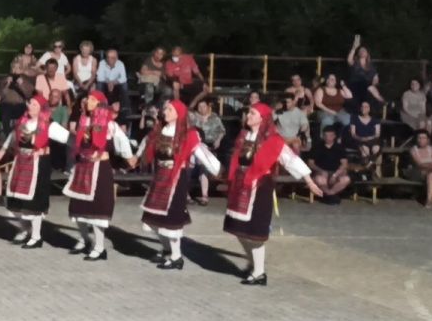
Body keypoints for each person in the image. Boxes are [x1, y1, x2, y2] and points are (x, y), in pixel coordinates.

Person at [223, 104, 321, 286]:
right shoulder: (243, 135)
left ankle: (259, 273)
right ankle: (252, 264)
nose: (248, 116)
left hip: (260, 187)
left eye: (253, 113)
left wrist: (309, 181)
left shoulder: (272, 140)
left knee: (254, 232)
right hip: (241, 185)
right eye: (249, 113)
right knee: (238, 230)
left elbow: (290, 159)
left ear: (262, 118)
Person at [133, 99, 220, 270]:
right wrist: (136, 157)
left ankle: (176, 257)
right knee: (152, 219)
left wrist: (217, 169)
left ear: (178, 114)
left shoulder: (187, 134)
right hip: (160, 177)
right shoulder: (159, 131)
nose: (165, 112)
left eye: (169, 110)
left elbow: (201, 152)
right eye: (165, 109)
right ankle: (167, 249)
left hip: (176, 179)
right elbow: (146, 143)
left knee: (171, 219)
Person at [60, 90, 133, 261]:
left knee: (97, 210)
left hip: (100, 168)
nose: (88, 102)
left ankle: (100, 248)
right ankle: (85, 239)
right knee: (77, 208)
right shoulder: (83, 121)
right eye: (87, 99)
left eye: (92, 100)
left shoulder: (109, 124)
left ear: (100, 104)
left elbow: (122, 141)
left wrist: (129, 158)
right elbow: (75, 142)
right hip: (83, 167)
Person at [0, 95, 69, 249]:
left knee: (34, 201)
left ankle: (36, 236)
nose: (30, 106)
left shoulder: (49, 125)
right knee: (17, 199)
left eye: (34, 105)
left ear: (41, 108)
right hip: (21, 163)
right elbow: (12, 138)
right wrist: (0, 152)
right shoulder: (22, 123)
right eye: (29, 104)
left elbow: (68, 138)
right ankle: (25, 229)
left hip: (38, 164)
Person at [307, 126, 352, 204]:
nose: (328, 138)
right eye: (326, 135)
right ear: (323, 136)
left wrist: (335, 175)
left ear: (334, 136)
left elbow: (344, 164)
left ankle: (329, 194)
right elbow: (310, 163)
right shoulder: (317, 147)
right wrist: (321, 171)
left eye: (330, 135)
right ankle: (331, 196)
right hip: (321, 172)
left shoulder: (339, 147)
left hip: (336, 172)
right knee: (319, 179)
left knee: (346, 179)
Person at [345, 35, 385, 113]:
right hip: (355, 84)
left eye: (364, 50)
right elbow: (349, 60)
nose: (362, 52)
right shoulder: (355, 63)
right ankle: (382, 101)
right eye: (360, 51)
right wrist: (354, 47)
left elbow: (375, 78)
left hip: (367, 87)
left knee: (368, 88)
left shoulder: (371, 66)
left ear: (367, 53)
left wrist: (374, 84)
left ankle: (374, 106)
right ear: (358, 53)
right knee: (367, 86)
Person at [96, 49, 129, 113]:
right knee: (99, 85)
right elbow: (99, 77)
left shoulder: (120, 64)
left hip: (116, 84)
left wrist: (113, 82)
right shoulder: (102, 63)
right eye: (108, 57)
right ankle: (100, 106)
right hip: (105, 83)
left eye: (112, 58)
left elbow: (123, 78)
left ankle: (124, 107)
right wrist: (108, 82)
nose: (110, 59)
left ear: (116, 58)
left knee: (124, 85)